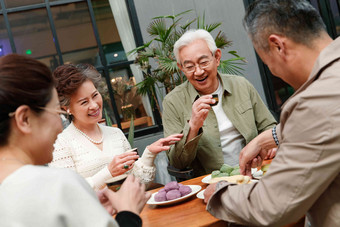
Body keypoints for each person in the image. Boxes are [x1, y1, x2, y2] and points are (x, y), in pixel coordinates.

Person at [204, 1, 340, 226]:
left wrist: (220, 193)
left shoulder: (316, 100)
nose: (273, 71)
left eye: (267, 63)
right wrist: (269, 138)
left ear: (278, 46)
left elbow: (273, 206)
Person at [0, 54, 150, 227]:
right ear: (25, 119)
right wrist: (128, 214)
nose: (59, 126)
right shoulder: (59, 185)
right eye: (57, 112)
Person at [49, 64, 182, 191]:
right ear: (66, 109)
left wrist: (149, 153)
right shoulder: (60, 144)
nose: (94, 105)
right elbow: (69, 192)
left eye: (95, 95)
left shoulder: (115, 134)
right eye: (84, 102)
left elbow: (138, 184)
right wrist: (108, 173)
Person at [162, 29, 276, 177]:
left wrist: (270, 146)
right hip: (211, 183)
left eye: (203, 62)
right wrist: (193, 126)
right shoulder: (172, 102)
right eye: (189, 67)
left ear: (216, 57)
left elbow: (268, 126)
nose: (198, 72)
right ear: (181, 68)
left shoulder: (241, 85)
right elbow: (177, 162)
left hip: (255, 173)